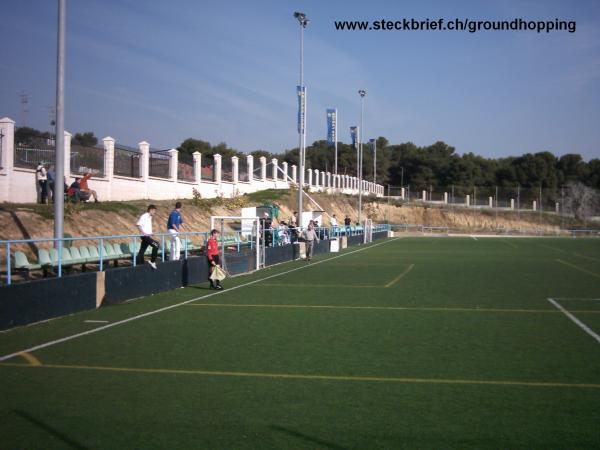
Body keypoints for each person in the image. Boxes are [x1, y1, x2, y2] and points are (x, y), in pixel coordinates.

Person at [136, 205, 159, 269]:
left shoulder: (150, 217)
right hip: (144, 236)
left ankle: (138, 264)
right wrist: (144, 233)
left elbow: (146, 226)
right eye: (154, 211)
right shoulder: (144, 216)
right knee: (156, 245)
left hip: (147, 236)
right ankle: (152, 261)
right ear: (150, 210)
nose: (155, 212)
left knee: (142, 250)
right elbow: (138, 225)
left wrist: (150, 233)